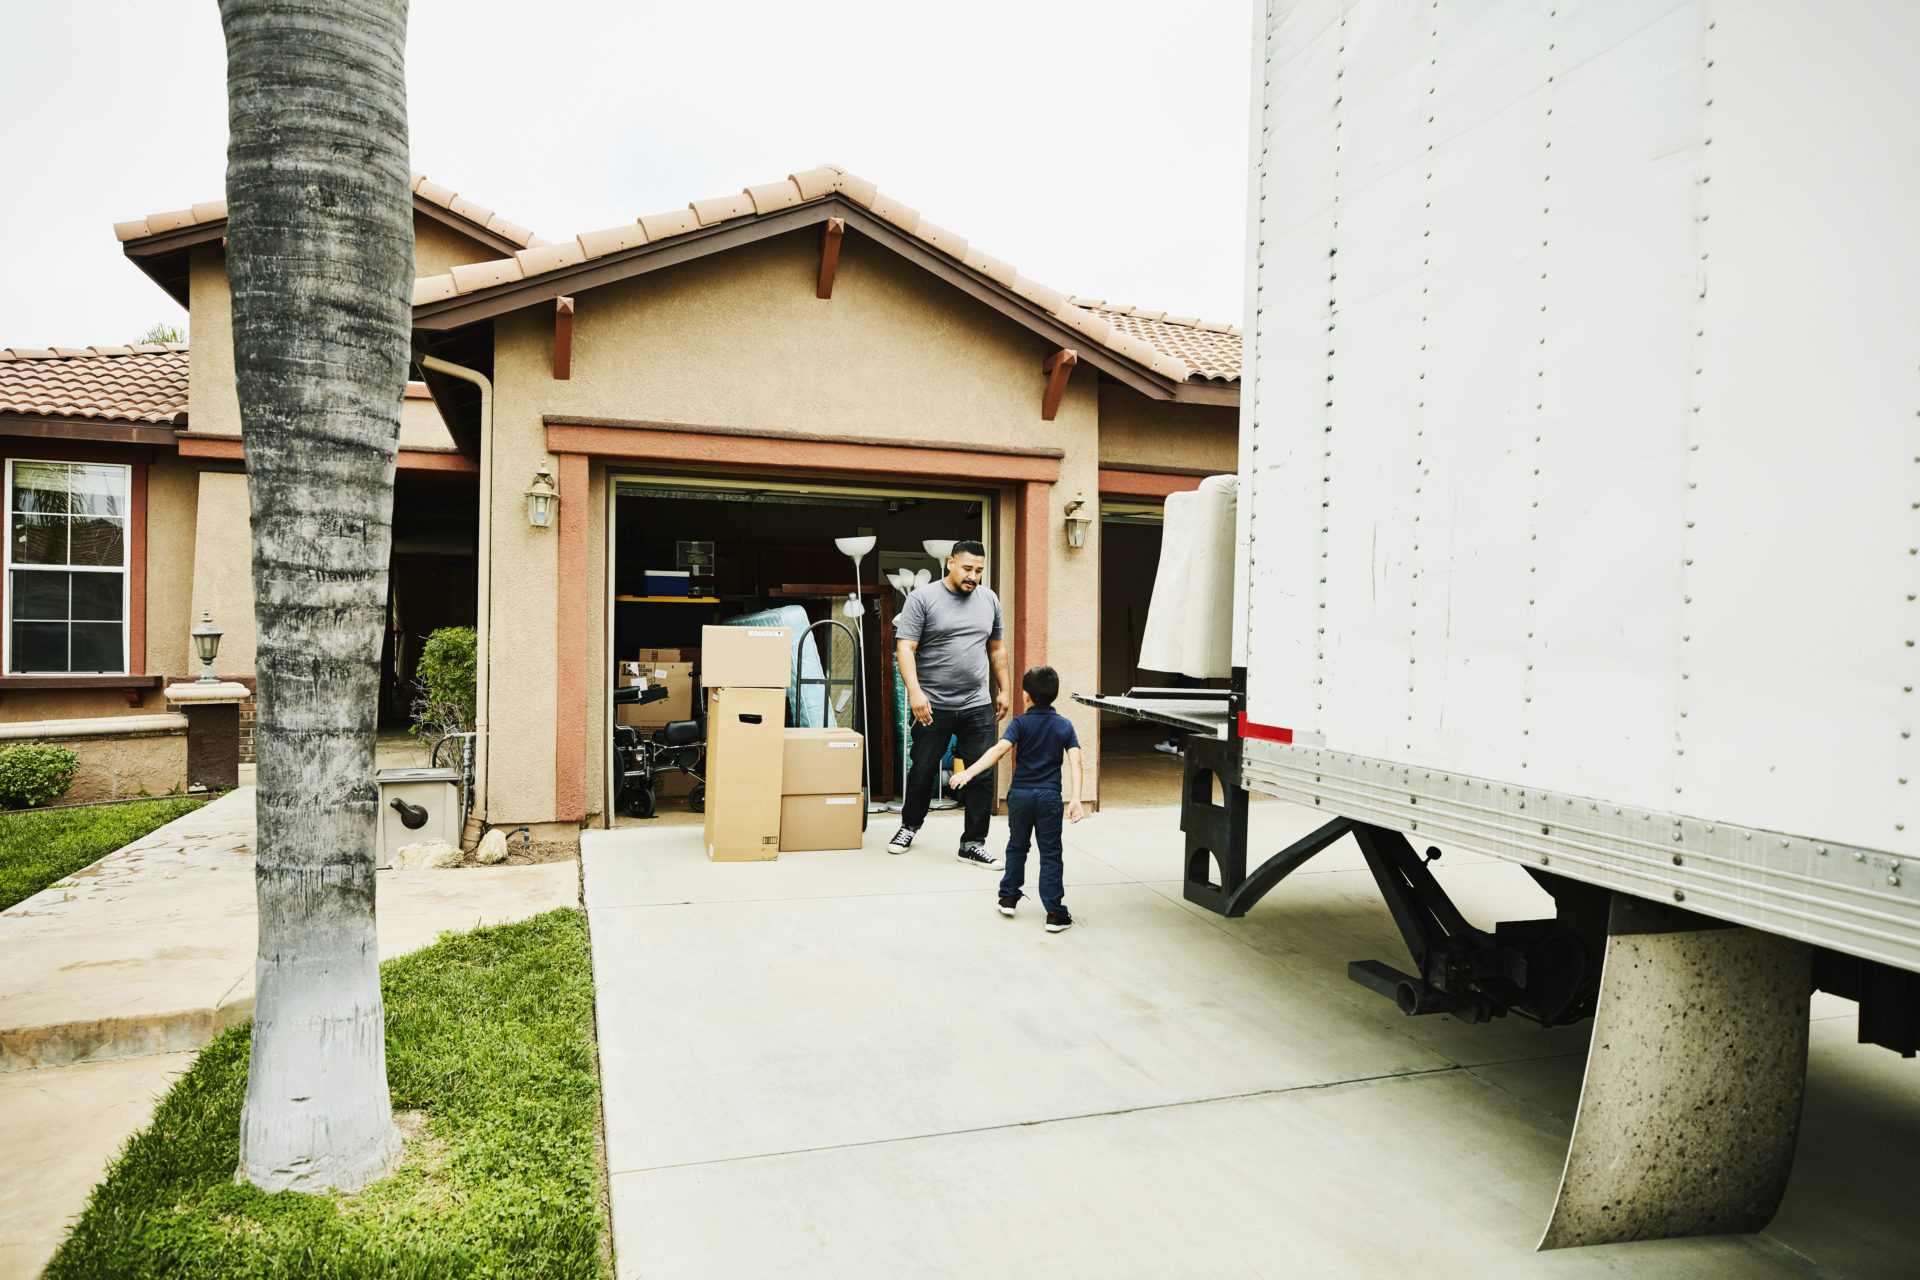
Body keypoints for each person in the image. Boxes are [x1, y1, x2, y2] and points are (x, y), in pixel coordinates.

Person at [892, 539, 1011, 866]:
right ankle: (909, 826)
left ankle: (973, 843)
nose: (974, 576)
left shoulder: (989, 599)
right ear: (950, 563)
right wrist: (915, 692)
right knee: (924, 770)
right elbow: (906, 648)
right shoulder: (922, 598)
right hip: (933, 704)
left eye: (979, 571)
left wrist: (1004, 689)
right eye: (968, 568)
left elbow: (997, 649)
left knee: (982, 774)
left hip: (976, 704)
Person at [950, 665, 1085, 932]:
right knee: (1051, 854)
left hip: (1020, 795)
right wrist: (1076, 798)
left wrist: (969, 771)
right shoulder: (1064, 726)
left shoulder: (1020, 722)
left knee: (1017, 847)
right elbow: (1076, 761)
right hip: (1048, 797)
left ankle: (1009, 897)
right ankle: (1056, 914)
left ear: (1025, 695)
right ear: (1055, 695)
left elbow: (999, 750)